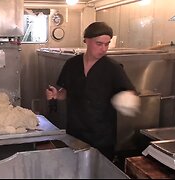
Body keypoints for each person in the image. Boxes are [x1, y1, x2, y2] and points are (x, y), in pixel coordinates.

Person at [46, 22, 140, 161]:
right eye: (99, 43)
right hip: (75, 132)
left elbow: (130, 93)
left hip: (102, 137)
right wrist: (56, 95)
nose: (103, 49)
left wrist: (127, 99)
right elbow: (66, 92)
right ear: (86, 40)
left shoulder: (113, 68)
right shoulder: (72, 65)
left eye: (107, 44)